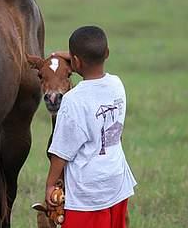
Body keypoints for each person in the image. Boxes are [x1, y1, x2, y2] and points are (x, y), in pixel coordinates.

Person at [46, 26, 137, 228]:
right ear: (107, 54)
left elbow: (61, 152)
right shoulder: (117, 84)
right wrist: (67, 56)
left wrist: (51, 184)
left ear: (75, 61)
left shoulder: (72, 101)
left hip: (88, 195)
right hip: (117, 183)